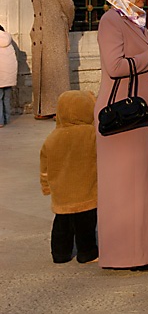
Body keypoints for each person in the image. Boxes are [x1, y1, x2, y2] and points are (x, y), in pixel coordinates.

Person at [94, 0, 148, 270]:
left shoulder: (137, 19)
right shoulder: (111, 21)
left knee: (141, 185)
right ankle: (125, 255)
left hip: (139, 113)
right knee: (124, 188)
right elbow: (114, 66)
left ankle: (144, 252)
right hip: (121, 115)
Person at [39, 90, 98, 264]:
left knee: (61, 226)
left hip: (62, 193)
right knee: (86, 226)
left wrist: (46, 186)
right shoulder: (92, 135)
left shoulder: (52, 138)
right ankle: (86, 253)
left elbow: (45, 165)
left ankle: (60, 254)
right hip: (87, 191)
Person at [18, 0, 75, 119]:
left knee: (57, 72)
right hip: (39, 35)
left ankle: (61, 110)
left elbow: (68, 5)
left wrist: (64, 24)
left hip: (55, 33)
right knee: (42, 74)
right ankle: (44, 109)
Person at [0, 24, 18, 126]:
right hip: (9, 77)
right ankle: (6, 119)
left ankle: (0, 121)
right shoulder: (9, 41)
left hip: (0, 76)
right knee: (6, 98)